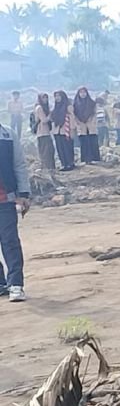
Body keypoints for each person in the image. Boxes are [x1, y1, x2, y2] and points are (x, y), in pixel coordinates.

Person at [0, 118, 30, 302]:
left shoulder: (8, 135)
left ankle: (16, 284)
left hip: (5, 200)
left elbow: (19, 165)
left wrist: (23, 193)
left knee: (10, 241)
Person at [73, 87, 101, 164]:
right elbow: (74, 115)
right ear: (78, 94)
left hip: (90, 125)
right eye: (81, 92)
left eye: (84, 92)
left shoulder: (92, 103)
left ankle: (95, 159)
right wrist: (79, 123)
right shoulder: (75, 104)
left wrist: (91, 121)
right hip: (81, 126)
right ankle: (86, 159)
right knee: (84, 143)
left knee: (93, 142)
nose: (83, 94)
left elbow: (94, 113)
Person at [51, 90, 75, 171]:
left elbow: (72, 118)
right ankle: (64, 164)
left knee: (67, 147)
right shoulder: (55, 107)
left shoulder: (68, 107)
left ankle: (70, 163)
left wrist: (72, 130)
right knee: (60, 148)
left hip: (66, 131)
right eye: (56, 96)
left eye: (59, 96)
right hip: (57, 131)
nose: (57, 98)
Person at [31, 93, 56, 172]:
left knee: (49, 150)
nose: (45, 100)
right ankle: (48, 167)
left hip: (45, 132)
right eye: (43, 98)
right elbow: (44, 120)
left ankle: (49, 167)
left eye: (46, 98)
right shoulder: (39, 108)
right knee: (46, 151)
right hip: (42, 132)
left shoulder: (42, 107)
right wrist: (50, 115)